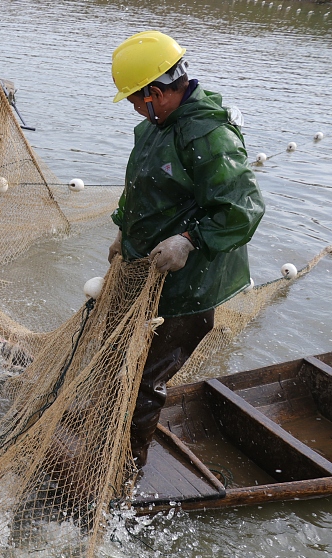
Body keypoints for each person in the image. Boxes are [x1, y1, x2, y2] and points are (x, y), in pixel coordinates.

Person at [108, 30, 265, 466]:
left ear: (156, 93)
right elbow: (140, 183)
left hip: (187, 288)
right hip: (144, 271)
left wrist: (189, 240)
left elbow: (243, 209)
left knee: (143, 383)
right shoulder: (156, 126)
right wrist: (122, 229)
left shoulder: (207, 134)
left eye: (136, 100)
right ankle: (103, 434)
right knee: (110, 355)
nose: (134, 109)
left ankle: (122, 477)